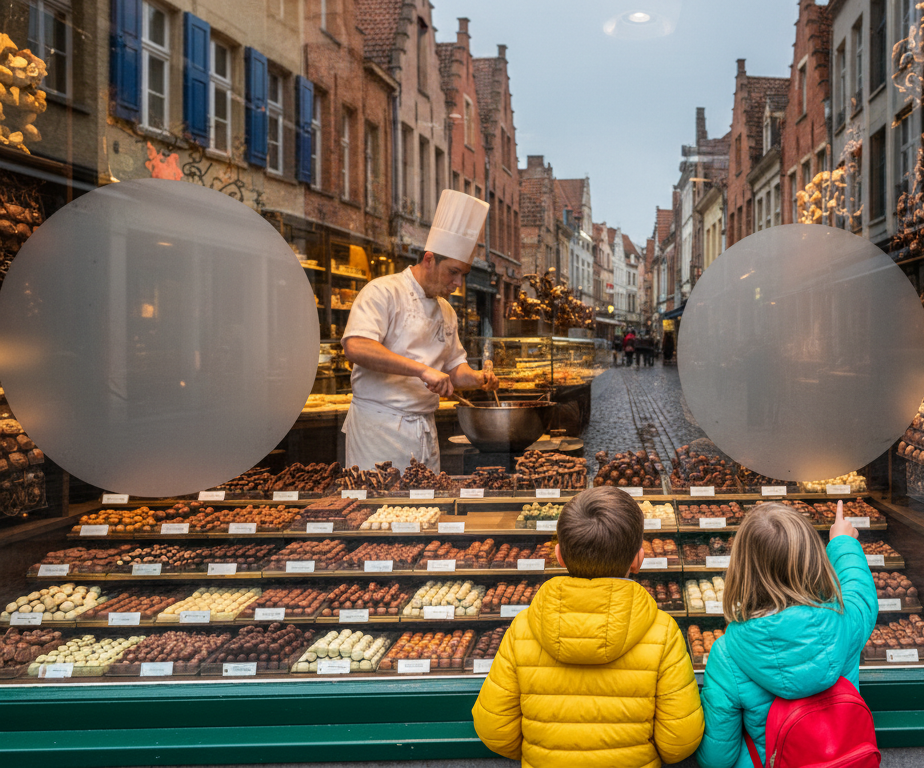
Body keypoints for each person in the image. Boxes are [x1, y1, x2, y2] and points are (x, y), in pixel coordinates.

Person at [472, 486, 704, 768]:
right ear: (638, 559)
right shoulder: (662, 632)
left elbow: (494, 730)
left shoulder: (523, 629)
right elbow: (678, 741)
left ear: (558, 555)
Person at [694, 503, 877, 768]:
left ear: (741, 570)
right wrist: (842, 543)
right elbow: (859, 590)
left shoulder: (727, 655)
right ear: (814, 560)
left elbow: (717, 758)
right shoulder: (845, 622)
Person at [341, 190, 498, 472]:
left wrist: (477, 378)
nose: (458, 283)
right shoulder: (383, 291)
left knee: (427, 512)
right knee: (380, 514)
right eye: (453, 272)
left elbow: (453, 369)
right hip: (379, 429)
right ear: (428, 260)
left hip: (424, 429)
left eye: (462, 274)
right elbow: (356, 346)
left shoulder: (447, 311)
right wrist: (422, 370)